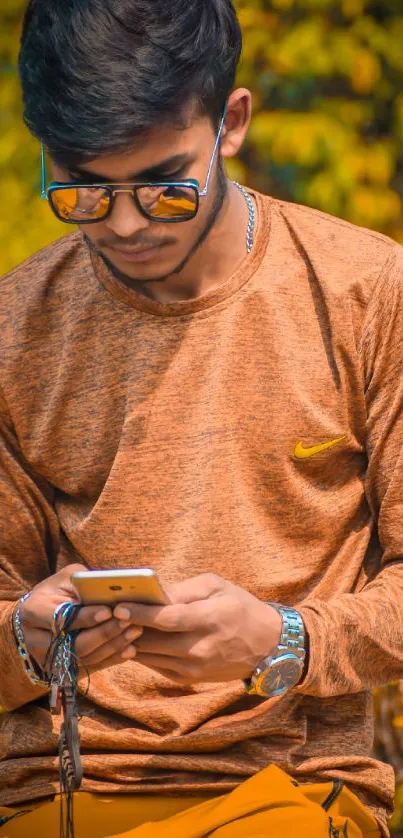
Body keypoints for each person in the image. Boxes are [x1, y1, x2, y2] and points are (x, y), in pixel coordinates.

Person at [0, 0, 402, 835]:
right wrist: (25, 640)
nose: (125, 223)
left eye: (162, 186)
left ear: (231, 123)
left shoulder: (367, 294)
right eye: (81, 190)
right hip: (60, 794)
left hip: (291, 789)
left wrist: (285, 639)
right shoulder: (15, 329)